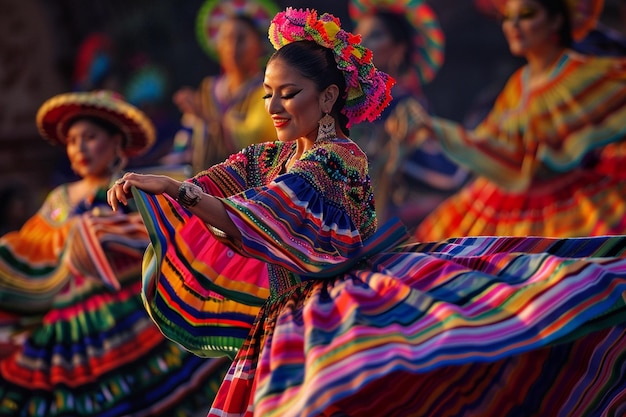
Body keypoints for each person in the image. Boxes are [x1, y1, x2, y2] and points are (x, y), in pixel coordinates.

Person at [108, 8, 626, 417]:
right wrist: (160, 186)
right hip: (282, 319)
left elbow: (257, 214)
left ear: (330, 95)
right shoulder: (272, 155)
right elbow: (212, 185)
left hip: (336, 314)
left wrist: (181, 192)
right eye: (269, 94)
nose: (275, 107)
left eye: (290, 94)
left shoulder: (337, 157)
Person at [0, 90, 229, 416]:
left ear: (116, 143)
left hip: (135, 308)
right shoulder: (59, 200)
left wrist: (109, 233)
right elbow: (30, 248)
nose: (79, 148)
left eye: (90, 137)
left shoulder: (132, 187)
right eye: (73, 140)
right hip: (73, 320)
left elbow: (165, 227)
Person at [414, 0, 626, 241]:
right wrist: (434, 130)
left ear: (556, 20)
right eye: (506, 17)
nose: (513, 26)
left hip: (578, 205)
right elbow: (494, 145)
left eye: (526, 14)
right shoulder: (517, 86)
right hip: (513, 201)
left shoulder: (586, 74)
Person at [348, 0, 469, 230]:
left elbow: (442, 171)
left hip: (390, 227)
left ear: (398, 49)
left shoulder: (406, 107)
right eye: (357, 35)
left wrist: (395, 149)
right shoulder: (339, 99)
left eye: (374, 35)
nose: (360, 44)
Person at [162, 0, 279, 174]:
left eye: (241, 39)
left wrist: (205, 116)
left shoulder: (266, 90)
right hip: (201, 183)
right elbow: (186, 139)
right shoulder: (208, 88)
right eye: (226, 39)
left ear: (260, 45)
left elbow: (255, 136)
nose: (232, 47)